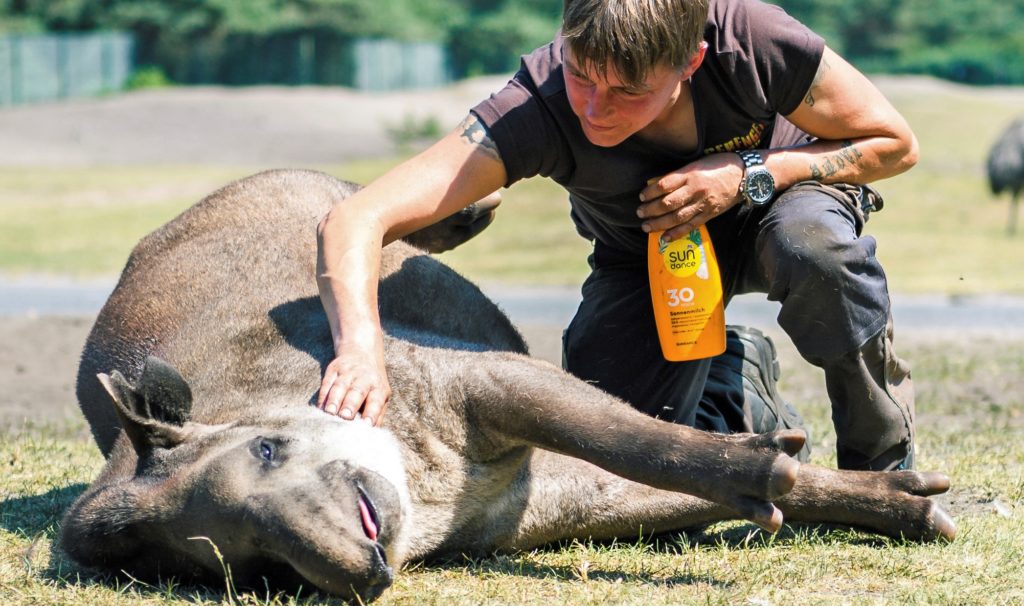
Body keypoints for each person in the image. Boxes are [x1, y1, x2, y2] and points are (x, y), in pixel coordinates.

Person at [315, 0, 918, 471]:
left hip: (783, 205)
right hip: (645, 258)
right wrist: (360, 349)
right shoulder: (537, 105)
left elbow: (895, 144)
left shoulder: (752, 41)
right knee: (616, 467)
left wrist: (755, 173)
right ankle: (733, 384)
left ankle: (881, 464)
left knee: (813, 247)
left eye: (630, 91)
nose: (596, 109)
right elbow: (356, 218)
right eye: (582, 76)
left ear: (691, 61)